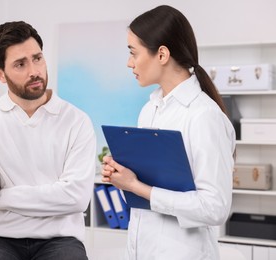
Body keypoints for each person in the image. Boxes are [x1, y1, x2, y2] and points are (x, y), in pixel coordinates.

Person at [0, 21, 96, 260]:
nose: (34, 71)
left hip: (60, 240)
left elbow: (76, 198)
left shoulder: (76, 121)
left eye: (37, 58)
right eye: (20, 64)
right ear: (0, 73)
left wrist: (3, 198)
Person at [101, 5, 236, 260]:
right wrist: (122, 176)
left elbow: (215, 208)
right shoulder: (149, 110)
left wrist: (137, 187)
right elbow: (149, 183)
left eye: (133, 53)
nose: (129, 63)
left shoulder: (204, 116)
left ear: (162, 54)